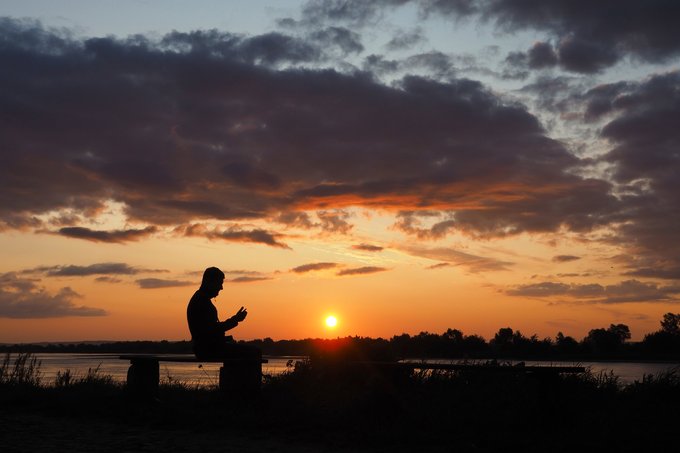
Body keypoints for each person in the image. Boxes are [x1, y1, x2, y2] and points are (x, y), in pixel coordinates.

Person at [187, 267, 260, 360]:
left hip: (205, 348)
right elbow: (213, 330)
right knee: (255, 352)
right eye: (220, 283)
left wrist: (234, 319)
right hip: (208, 350)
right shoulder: (201, 301)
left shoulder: (200, 299)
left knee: (251, 351)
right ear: (211, 282)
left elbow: (211, 329)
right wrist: (235, 319)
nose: (221, 288)